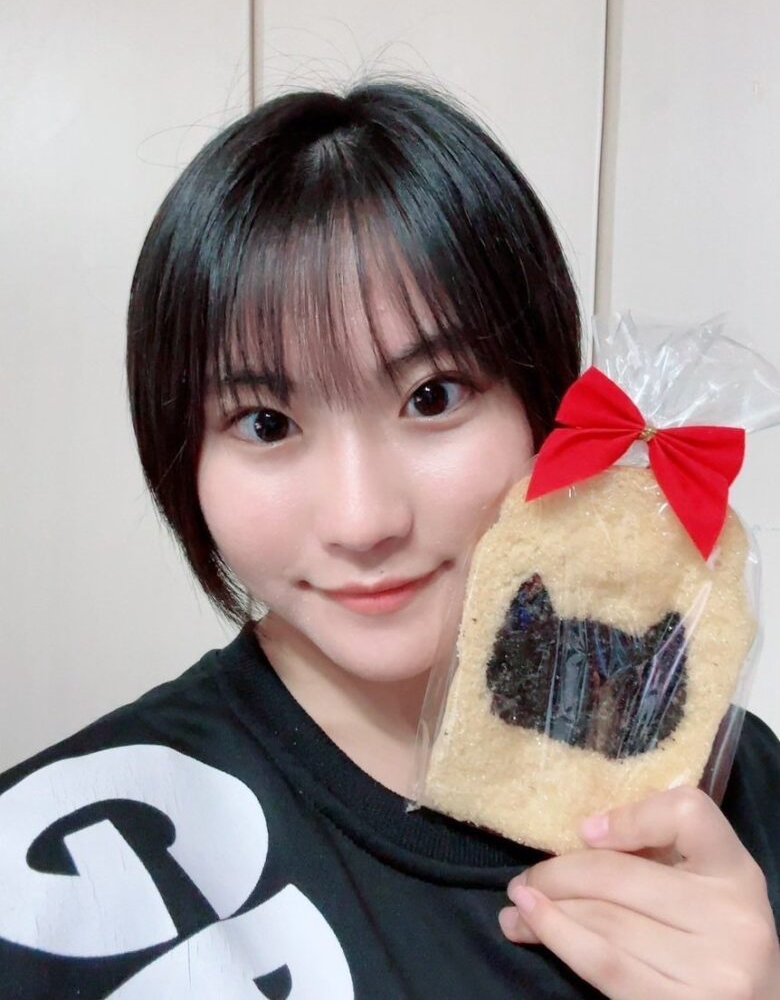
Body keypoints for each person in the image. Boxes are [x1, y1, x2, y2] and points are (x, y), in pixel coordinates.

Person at [0, 81, 777, 999]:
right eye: (265, 422)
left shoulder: (729, 788)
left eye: (431, 397)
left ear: (544, 406)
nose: (363, 520)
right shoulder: (49, 880)